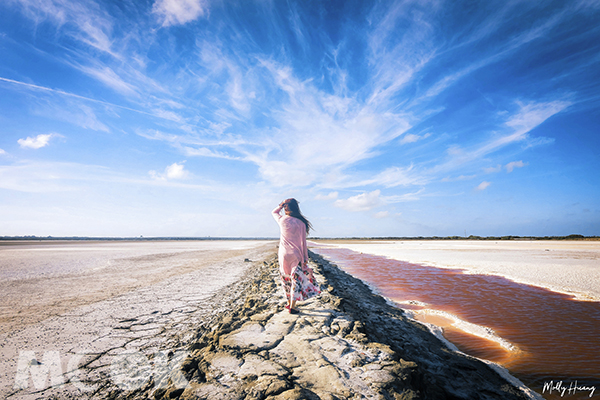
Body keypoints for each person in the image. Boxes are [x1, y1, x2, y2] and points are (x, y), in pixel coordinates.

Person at [272, 198, 320, 314]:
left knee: (285, 278)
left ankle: (288, 303)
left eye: (285, 207)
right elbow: (303, 242)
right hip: (296, 254)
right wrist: (304, 259)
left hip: (283, 254)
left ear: (286, 208)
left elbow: (274, 212)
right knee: (295, 280)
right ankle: (293, 306)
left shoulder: (282, 220)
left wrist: (280, 205)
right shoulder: (301, 223)